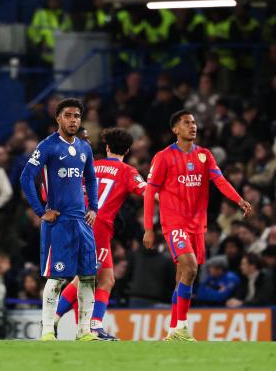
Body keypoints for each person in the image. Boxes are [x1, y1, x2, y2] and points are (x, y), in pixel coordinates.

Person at [143, 109, 252, 341]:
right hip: (174, 223)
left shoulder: (205, 155)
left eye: (194, 122)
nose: (192, 126)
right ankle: (182, 327)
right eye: (186, 123)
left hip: (197, 225)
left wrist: (239, 200)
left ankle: (173, 330)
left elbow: (220, 181)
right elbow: (149, 191)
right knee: (191, 268)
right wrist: (149, 228)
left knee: (184, 275)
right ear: (175, 129)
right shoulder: (163, 156)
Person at [55, 127, 147, 340]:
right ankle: (54, 320)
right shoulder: (128, 171)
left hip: (77, 221)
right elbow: (147, 191)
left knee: (106, 278)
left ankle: (93, 327)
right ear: (128, 150)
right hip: (98, 226)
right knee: (84, 279)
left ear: (106, 147)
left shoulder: (92, 167)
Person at [20, 98, 99, 341]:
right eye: (68, 116)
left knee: (88, 276)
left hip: (82, 223)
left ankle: (84, 330)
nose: (73, 120)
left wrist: (93, 208)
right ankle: (46, 331)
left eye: (76, 116)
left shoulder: (85, 148)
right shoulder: (48, 146)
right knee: (57, 277)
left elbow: (91, 179)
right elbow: (26, 177)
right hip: (59, 223)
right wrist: (40, 211)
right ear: (58, 119)